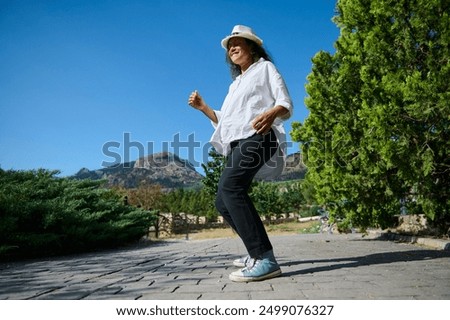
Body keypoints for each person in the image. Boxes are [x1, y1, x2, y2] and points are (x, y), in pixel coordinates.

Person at [188, 25, 293, 282]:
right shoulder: (235, 84)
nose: (232, 48)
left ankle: (265, 258)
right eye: (229, 46)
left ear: (252, 47)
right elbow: (227, 121)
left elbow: (285, 103)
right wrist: (203, 108)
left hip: (259, 136)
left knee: (231, 187)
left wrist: (271, 113)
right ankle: (255, 252)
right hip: (239, 142)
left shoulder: (265, 68)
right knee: (223, 201)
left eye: (238, 42)